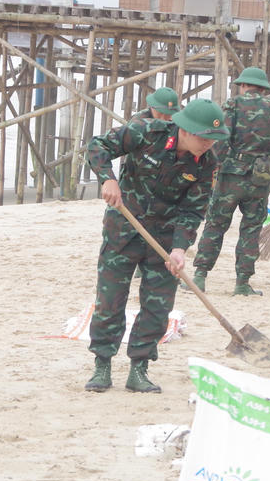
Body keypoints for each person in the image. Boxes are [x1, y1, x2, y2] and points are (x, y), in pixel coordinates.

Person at [82, 99, 227, 394]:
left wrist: (179, 249)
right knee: (110, 300)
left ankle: (139, 368)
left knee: (158, 306)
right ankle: (102, 365)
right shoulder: (146, 133)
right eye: (203, 137)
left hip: (162, 239)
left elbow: (193, 210)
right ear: (184, 129)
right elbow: (98, 146)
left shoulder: (207, 163)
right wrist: (108, 179)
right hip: (123, 229)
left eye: (213, 139)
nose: (207, 144)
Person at [193, 67, 270, 296]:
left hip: (231, 176)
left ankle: (200, 276)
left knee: (216, 224)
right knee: (251, 229)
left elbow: (219, 140)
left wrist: (210, 168)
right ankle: (242, 283)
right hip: (260, 178)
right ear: (263, 88)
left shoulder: (233, 105)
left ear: (242, 85)